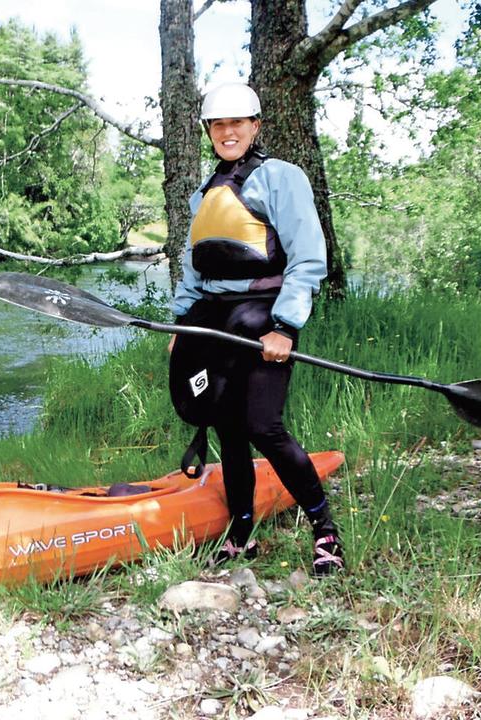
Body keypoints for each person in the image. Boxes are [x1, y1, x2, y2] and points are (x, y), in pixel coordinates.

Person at [168, 82, 343, 576]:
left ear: (255, 126)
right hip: (212, 321)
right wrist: (182, 326)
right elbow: (193, 267)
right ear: (208, 131)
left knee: (263, 425)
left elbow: (308, 256)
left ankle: (324, 527)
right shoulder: (204, 193)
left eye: (237, 123)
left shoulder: (281, 178)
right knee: (227, 427)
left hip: (265, 312)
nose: (228, 132)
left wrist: (285, 326)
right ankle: (241, 530)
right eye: (218, 125)